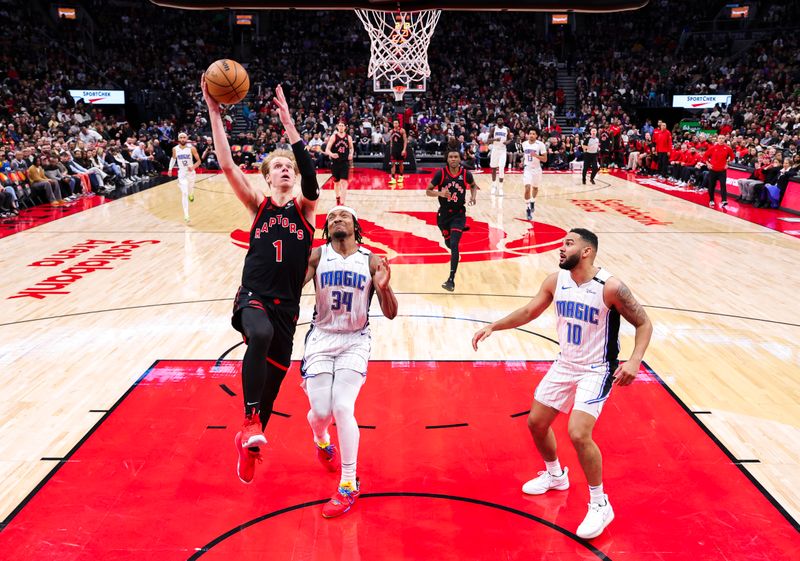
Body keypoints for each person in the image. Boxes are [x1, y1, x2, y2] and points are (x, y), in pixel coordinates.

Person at [472, 228, 652, 540]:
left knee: (579, 433)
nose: (561, 248)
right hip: (565, 363)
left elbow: (644, 323)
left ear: (587, 252)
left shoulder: (610, 287)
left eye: (568, 243)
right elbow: (529, 311)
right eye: (562, 243)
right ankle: (556, 475)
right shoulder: (556, 281)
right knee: (536, 423)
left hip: (596, 369)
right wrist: (494, 326)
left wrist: (635, 360)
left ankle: (600, 503)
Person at [201, 77, 320, 484]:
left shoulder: (306, 210)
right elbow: (227, 165)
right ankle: (249, 421)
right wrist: (215, 114)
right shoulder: (258, 206)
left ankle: (250, 439)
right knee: (259, 334)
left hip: (288, 307)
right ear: (268, 177)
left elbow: (314, 180)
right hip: (253, 297)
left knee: (272, 385)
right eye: (279, 167)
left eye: (290, 166)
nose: (287, 170)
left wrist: (291, 128)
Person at [301, 205, 398, 518]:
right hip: (320, 337)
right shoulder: (317, 256)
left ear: (356, 226)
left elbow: (392, 312)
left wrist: (383, 288)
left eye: (342, 216)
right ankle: (321, 439)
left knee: (342, 407)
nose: (335, 219)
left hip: (355, 340)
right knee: (320, 412)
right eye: (330, 218)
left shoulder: (371, 260)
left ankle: (347, 483)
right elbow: (287, 290)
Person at [426, 147, 477, 292]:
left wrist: (473, 197)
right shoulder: (441, 174)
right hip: (443, 216)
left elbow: (473, 186)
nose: (453, 159)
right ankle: (451, 238)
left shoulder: (466, 174)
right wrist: (440, 193)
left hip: (459, 214)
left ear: (460, 159)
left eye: (456, 157)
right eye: (451, 157)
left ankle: (451, 280)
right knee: (449, 243)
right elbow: (428, 191)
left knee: (454, 245)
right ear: (447, 159)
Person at [168, 133, 201, 222]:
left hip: (190, 173)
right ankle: (186, 215)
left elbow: (199, 161)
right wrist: (170, 169)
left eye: (184, 137)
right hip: (182, 173)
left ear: (187, 138)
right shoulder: (175, 149)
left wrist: (193, 167)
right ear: (178, 139)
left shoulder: (192, 148)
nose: (182, 139)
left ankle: (192, 193)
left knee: (190, 189)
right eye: (181, 137)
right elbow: (173, 159)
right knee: (184, 193)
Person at [324, 121, 354, 205]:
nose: (341, 127)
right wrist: (331, 154)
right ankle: (337, 197)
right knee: (336, 183)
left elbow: (351, 148)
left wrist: (351, 154)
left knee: (344, 183)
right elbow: (327, 149)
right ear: (337, 127)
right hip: (335, 163)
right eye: (339, 125)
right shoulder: (334, 137)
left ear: (345, 127)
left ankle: (342, 203)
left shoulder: (348, 137)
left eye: (342, 125)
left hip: (345, 163)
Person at [522, 129, 548, 220]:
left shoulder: (540, 145)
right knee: (527, 188)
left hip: (537, 169)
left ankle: (532, 200)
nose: (531, 135)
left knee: (535, 188)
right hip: (527, 169)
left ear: (536, 136)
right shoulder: (524, 144)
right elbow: (525, 155)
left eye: (533, 134)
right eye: (530, 133)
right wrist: (522, 161)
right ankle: (528, 208)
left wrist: (536, 156)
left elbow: (545, 159)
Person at [704, 135, 735, 208]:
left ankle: (724, 200)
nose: (721, 140)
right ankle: (711, 200)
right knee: (711, 186)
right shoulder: (713, 148)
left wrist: (727, 163)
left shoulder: (728, 148)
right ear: (717, 139)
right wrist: (708, 164)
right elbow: (705, 156)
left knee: (723, 185)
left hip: (722, 171)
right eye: (720, 138)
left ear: (725, 139)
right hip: (713, 170)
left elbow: (732, 157)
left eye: (723, 138)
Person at [489, 116, 510, 196]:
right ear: (497, 121)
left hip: (502, 150)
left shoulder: (507, 129)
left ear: (503, 121)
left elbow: (510, 139)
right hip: (495, 149)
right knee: (493, 168)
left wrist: (507, 142)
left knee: (501, 167)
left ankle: (501, 187)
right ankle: (494, 186)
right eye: (498, 119)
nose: (500, 120)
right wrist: (494, 139)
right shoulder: (493, 129)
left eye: (501, 119)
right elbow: (488, 140)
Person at [388, 119, 407, 187]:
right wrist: (391, 149)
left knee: (400, 163)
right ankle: (393, 178)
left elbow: (405, 141)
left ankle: (401, 176)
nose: (395, 124)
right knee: (393, 164)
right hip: (394, 150)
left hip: (400, 149)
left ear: (399, 124)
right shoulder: (391, 131)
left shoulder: (402, 130)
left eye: (396, 123)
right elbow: (391, 141)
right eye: (394, 123)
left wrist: (404, 150)